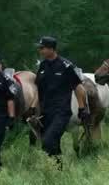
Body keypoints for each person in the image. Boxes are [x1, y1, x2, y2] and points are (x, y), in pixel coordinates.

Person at [34, 36, 89, 169]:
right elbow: (38, 89)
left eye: (42, 48)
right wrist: (33, 108)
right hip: (45, 112)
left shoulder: (66, 66)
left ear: (51, 49)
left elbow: (79, 88)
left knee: (47, 141)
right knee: (52, 144)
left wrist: (82, 108)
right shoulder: (42, 65)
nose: (40, 50)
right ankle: (58, 170)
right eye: (39, 48)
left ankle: (57, 169)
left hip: (61, 111)